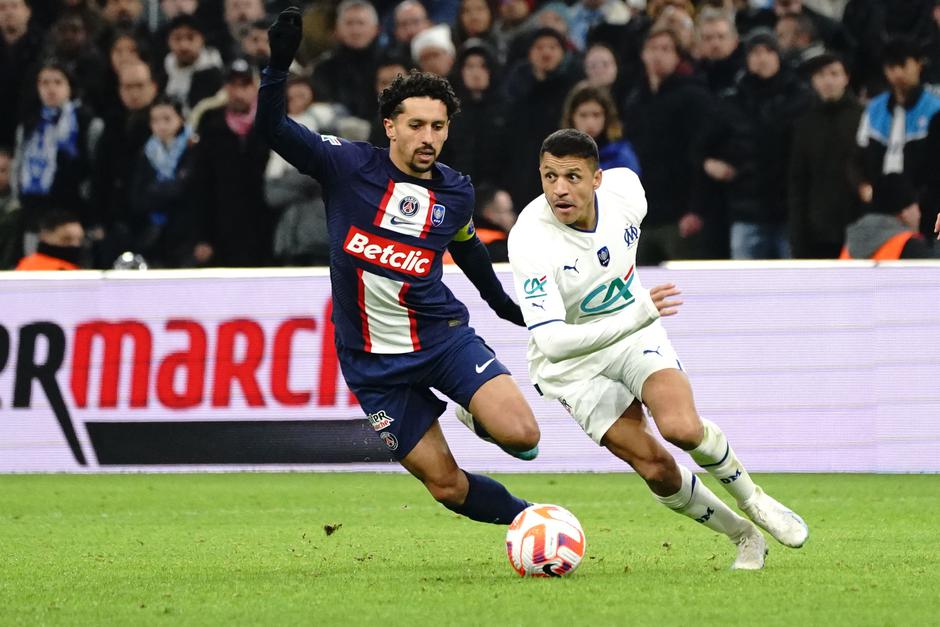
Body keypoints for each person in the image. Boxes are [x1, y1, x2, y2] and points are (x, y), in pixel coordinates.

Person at [258, 7, 540, 526]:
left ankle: (471, 409)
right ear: (390, 126)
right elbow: (273, 128)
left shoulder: (456, 191)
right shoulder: (346, 165)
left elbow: (467, 247)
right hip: (371, 363)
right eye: (416, 125)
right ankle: (532, 521)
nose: (428, 137)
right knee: (447, 486)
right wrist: (278, 65)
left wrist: (503, 305)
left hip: (440, 338)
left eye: (438, 126)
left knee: (524, 438)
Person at [507, 128, 809, 570]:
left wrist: (636, 318)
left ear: (597, 179)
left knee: (681, 428)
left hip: (635, 338)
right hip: (574, 362)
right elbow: (552, 343)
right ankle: (743, 535)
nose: (559, 189)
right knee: (656, 468)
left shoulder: (627, 192)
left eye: (572, 177)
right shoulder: (530, 239)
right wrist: (638, 313)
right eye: (549, 176)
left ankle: (755, 500)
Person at [788, 52, 864, 258]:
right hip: (816, 229)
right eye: (821, 75)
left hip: (856, 224)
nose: (828, 81)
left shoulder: (863, 118)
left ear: (846, 77)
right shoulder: (805, 123)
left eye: (834, 73)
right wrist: (798, 231)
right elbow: (798, 180)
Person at [840, 173, 937, 260]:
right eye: (917, 207)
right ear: (904, 212)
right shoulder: (910, 246)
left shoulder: (852, 241)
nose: (919, 215)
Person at [15, 209, 85, 270]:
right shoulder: (34, 268)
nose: (75, 245)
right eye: (66, 239)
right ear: (45, 236)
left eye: (80, 240)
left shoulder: (74, 268)